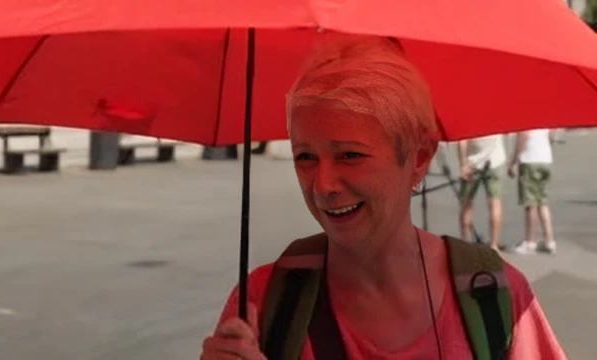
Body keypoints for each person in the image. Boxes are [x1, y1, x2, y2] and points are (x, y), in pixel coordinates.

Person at [200, 35, 566, 360]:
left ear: (419, 156)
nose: (322, 185)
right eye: (305, 157)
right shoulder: (263, 305)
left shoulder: (493, 296)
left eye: (350, 155)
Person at [508, 129, 557, 255]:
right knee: (542, 201)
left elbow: (523, 136)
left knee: (531, 204)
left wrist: (514, 161)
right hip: (545, 159)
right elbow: (552, 134)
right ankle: (549, 240)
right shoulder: (546, 115)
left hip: (530, 160)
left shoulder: (526, 116)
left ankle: (530, 241)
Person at [457, 134, 507, 250]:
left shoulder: (467, 116)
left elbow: (462, 141)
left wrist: (463, 164)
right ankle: (494, 244)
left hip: (472, 163)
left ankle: (466, 243)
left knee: (466, 204)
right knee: (495, 204)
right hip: (495, 161)